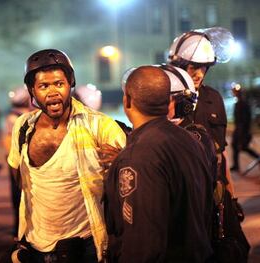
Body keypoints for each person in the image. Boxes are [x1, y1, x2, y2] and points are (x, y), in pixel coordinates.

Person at [6, 49, 126, 262]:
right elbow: (17, 175)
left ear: (70, 84)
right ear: (32, 90)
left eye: (59, 84)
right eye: (44, 86)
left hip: (85, 246)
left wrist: (124, 160)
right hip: (35, 243)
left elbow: (134, 172)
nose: (53, 93)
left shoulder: (98, 125)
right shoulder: (22, 126)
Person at [104, 66, 213, 262]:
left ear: (127, 100)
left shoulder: (138, 155)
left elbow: (143, 243)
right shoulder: (191, 140)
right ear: (169, 102)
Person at [167, 28, 235, 196]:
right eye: (192, 68)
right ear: (179, 66)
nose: (198, 74)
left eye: (203, 68)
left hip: (215, 191)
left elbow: (221, 153)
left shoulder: (214, 98)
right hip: (184, 192)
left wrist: (231, 195)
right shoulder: (166, 99)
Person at [4, 86, 32, 239]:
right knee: (20, 196)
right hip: (19, 161)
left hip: (15, 160)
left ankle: (18, 229)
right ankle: (19, 230)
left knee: (18, 196)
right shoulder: (21, 118)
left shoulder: (13, 117)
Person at [230, 83, 259, 173]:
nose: (234, 93)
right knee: (235, 146)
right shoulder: (238, 103)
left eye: (235, 91)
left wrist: (242, 132)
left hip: (243, 130)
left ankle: (258, 157)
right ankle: (236, 165)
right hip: (239, 130)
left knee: (243, 147)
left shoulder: (243, 103)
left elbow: (245, 119)